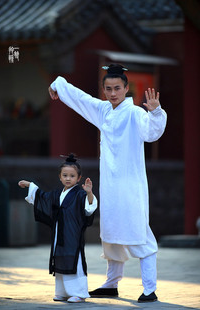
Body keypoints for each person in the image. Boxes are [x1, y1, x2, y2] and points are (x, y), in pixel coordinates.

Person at [48, 64, 167, 303]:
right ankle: (111, 284)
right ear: (104, 90)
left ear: (126, 89)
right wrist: (58, 85)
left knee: (139, 234)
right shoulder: (103, 110)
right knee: (111, 234)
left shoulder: (134, 113)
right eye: (109, 89)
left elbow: (151, 133)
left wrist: (155, 113)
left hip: (130, 185)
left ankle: (149, 288)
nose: (113, 93)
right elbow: (82, 99)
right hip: (111, 186)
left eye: (117, 88)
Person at [18, 153, 97, 303]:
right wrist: (30, 185)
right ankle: (62, 291)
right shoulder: (57, 194)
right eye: (65, 175)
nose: (68, 178)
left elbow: (90, 208)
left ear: (79, 178)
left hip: (73, 233)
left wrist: (89, 193)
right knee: (59, 258)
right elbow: (42, 197)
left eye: (72, 176)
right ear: (60, 177)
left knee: (75, 260)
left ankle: (79, 293)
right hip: (59, 233)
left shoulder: (81, 194)